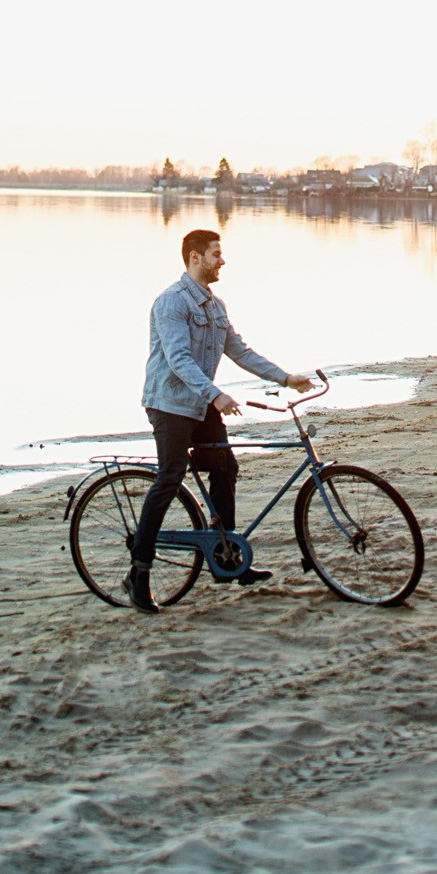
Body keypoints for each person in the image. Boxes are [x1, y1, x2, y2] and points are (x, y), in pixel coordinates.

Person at [125, 228, 313, 613]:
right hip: (170, 404)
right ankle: (138, 574)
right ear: (195, 258)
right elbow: (178, 361)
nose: (222, 260)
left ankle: (226, 557)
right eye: (215, 254)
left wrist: (285, 377)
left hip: (200, 403)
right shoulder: (171, 303)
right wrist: (217, 395)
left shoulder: (215, 305)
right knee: (170, 477)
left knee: (225, 468)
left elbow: (240, 351)